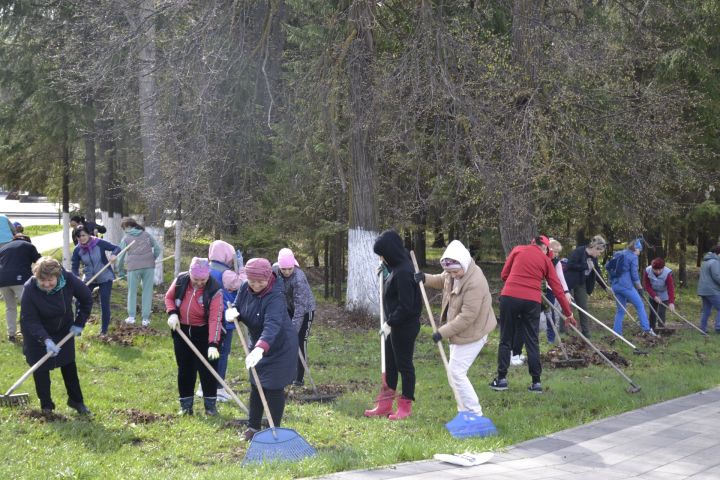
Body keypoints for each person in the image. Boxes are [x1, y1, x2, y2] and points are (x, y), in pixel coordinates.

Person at [416, 240, 496, 416]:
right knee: (454, 374)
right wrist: (425, 278)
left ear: (464, 263)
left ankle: (475, 413)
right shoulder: (453, 274)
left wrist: (442, 332)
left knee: (456, 373)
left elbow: (468, 317)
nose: (453, 275)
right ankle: (464, 411)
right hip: (459, 331)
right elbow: (442, 279)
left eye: (455, 271)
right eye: (450, 272)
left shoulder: (475, 281)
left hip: (474, 332)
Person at [489, 235, 576, 393]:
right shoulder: (545, 260)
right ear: (545, 248)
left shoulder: (518, 250)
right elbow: (557, 288)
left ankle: (501, 380)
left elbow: (504, 275)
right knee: (532, 340)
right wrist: (568, 313)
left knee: (505, 338)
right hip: (531, 301)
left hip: (509, 297)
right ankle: (536, 383)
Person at [225, 258, 297, 441]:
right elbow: (240, 307)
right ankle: (253, 427)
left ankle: (275, 431)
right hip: (258, 343)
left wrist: (260, 349)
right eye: (252, 281)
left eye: (261, 282)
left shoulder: (276, 296)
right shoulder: (244, 288)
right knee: (256, 386)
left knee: (273, 388)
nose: (256, 285)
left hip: (279, 346)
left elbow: (272, 325)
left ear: (268, 278)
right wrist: (234, 313)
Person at [20, 257, 92, 414]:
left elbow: (86, 299)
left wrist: (79, 322)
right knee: (40, 369)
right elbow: (30, 319)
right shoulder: (30, 288)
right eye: (42, 280)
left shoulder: (69, 280)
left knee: (68, 366)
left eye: (50, 280)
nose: (46, 284)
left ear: (57, 276)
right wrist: (45, 339)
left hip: (63, 329)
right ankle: (46, 406)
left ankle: (76, 401)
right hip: (37, 332)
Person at [364, 230, 422, 420]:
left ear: (389, 252)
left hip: (403, 326)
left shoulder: (405, 272)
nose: (381, 258)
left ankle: (405, 407)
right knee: (389, 365)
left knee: (404, 365)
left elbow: (406, 306)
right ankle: (385, 404)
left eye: (382, 254)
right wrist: (387, 273)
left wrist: (390, 322)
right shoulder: (396, 267)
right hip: (393, 325)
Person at [165, 257, 224, 416]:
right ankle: (186, 406)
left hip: (204, 332)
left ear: (208, 276)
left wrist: (213, 343)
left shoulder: (214, 289)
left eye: (203, 279)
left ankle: (210, 408)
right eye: (196, 279)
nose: (199, 282)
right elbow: (169, 298)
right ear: (190, 274)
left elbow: (215, 318)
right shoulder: (181, 280)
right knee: (185, 368)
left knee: (208, 370)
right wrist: (172, 313)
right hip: (182, 330)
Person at [195, 240, 246, 402]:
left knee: (209, 351)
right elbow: (243, 284)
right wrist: (242, 268)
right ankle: (217, 388)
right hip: (223, 320)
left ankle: (203, 386)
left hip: (206, 318)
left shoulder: (206, 269)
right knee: (222, 353)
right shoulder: (226, 273)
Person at [273, 247, 316, 386]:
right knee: (286, 342)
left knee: (299, 341)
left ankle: (299, 379)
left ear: (294, 265)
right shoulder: (275, 270)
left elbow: (300, 308)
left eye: (289, 269)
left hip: (305, 310)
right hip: (288, 308)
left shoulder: (299, 278)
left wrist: (293, 330)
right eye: (283, 269)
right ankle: (288, 375)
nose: (286, 272)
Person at [71, 225, 121, 336]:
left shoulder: (99, 243)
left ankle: (103, 331)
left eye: (83, 235)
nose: (81, 238)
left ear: (89, 234)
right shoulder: (77, 249)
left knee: (104, 303)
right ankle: (78, 329)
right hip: (89, 278)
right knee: (79, 301)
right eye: (78, 236)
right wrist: (76, 278)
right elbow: (74, 267)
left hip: (105, 277)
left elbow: (117, 248)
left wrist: (113, 255)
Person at [116, 217, 161, 327]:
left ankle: (132, 317)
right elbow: (157, 249)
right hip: (149, 266)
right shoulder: (146, 235)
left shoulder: (126, 238)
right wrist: (151, 259)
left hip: (133, 267)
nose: (124, 230)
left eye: (123, 228)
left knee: (132, 291)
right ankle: (145, 319)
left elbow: (120, 256)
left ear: (127, 227)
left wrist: (120, 271)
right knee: (147, 291)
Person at [607, 239, 656, 336]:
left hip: (615, 285)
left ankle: (617, 333)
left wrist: (611, 282)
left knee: (620, 310)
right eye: (639, 251)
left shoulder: (619, 253)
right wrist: (640, 288)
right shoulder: (633, 257)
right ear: (636, 249)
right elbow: (634, 275)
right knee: (640, 305)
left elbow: (609, 267)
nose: (639, 253)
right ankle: (646, 329)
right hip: (626, 286)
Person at [563, 235, 607, 337]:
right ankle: (565, 332)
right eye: (599, 252)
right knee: (568, 307)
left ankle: (586, 332)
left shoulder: (594, 258)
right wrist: (585, 266)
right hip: (570, 283)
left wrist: (605, 287)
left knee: (583, 307)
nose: (599, 254)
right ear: (595, 248)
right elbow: (569, 265)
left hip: (581, 284)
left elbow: (597, 273)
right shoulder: (579, 251)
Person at [0, 237, 41, 342]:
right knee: (28, 306)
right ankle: (28, 332)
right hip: (20, 279)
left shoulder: (4, 248)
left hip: (2, 280)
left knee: (10, 307)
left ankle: (11, 334)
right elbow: (40, 262)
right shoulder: (28, 246)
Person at [643, 257, 675, 331]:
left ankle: (661, 329)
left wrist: (671, 302)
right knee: (653, 312)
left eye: (660, 270)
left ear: (663, 268)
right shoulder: (648, 271)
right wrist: (654, 296)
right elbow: (647, 286)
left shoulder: (667, 274)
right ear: (652, 268)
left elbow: (670, 289)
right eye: (655, 270)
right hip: (652, 293)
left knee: (661, 313)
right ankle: (651, 329)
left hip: (664, 294)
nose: (658, 272)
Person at [697, 244, 720, 333]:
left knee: (706, 310)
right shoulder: (715, 262)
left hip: (703, 290)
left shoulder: (706, 261)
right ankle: (718, 327)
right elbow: (717, 276)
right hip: (712, 290)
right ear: (718, 253)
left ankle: (702, 329)